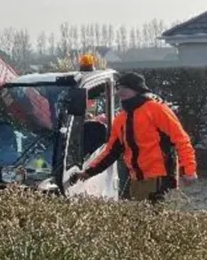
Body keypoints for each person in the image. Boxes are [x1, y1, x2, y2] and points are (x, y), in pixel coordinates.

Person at [68, 72, 197, 202]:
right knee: (141, 220)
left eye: (124, 88)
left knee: (154, 219)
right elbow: (111, 152)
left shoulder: (157, 109)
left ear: (136, 89)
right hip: (137, 181)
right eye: (118, 89)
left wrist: (189, 170)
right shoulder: (121, 118)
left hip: (161, 179)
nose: (119, 92)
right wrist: (88, 172)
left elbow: (181, 140)